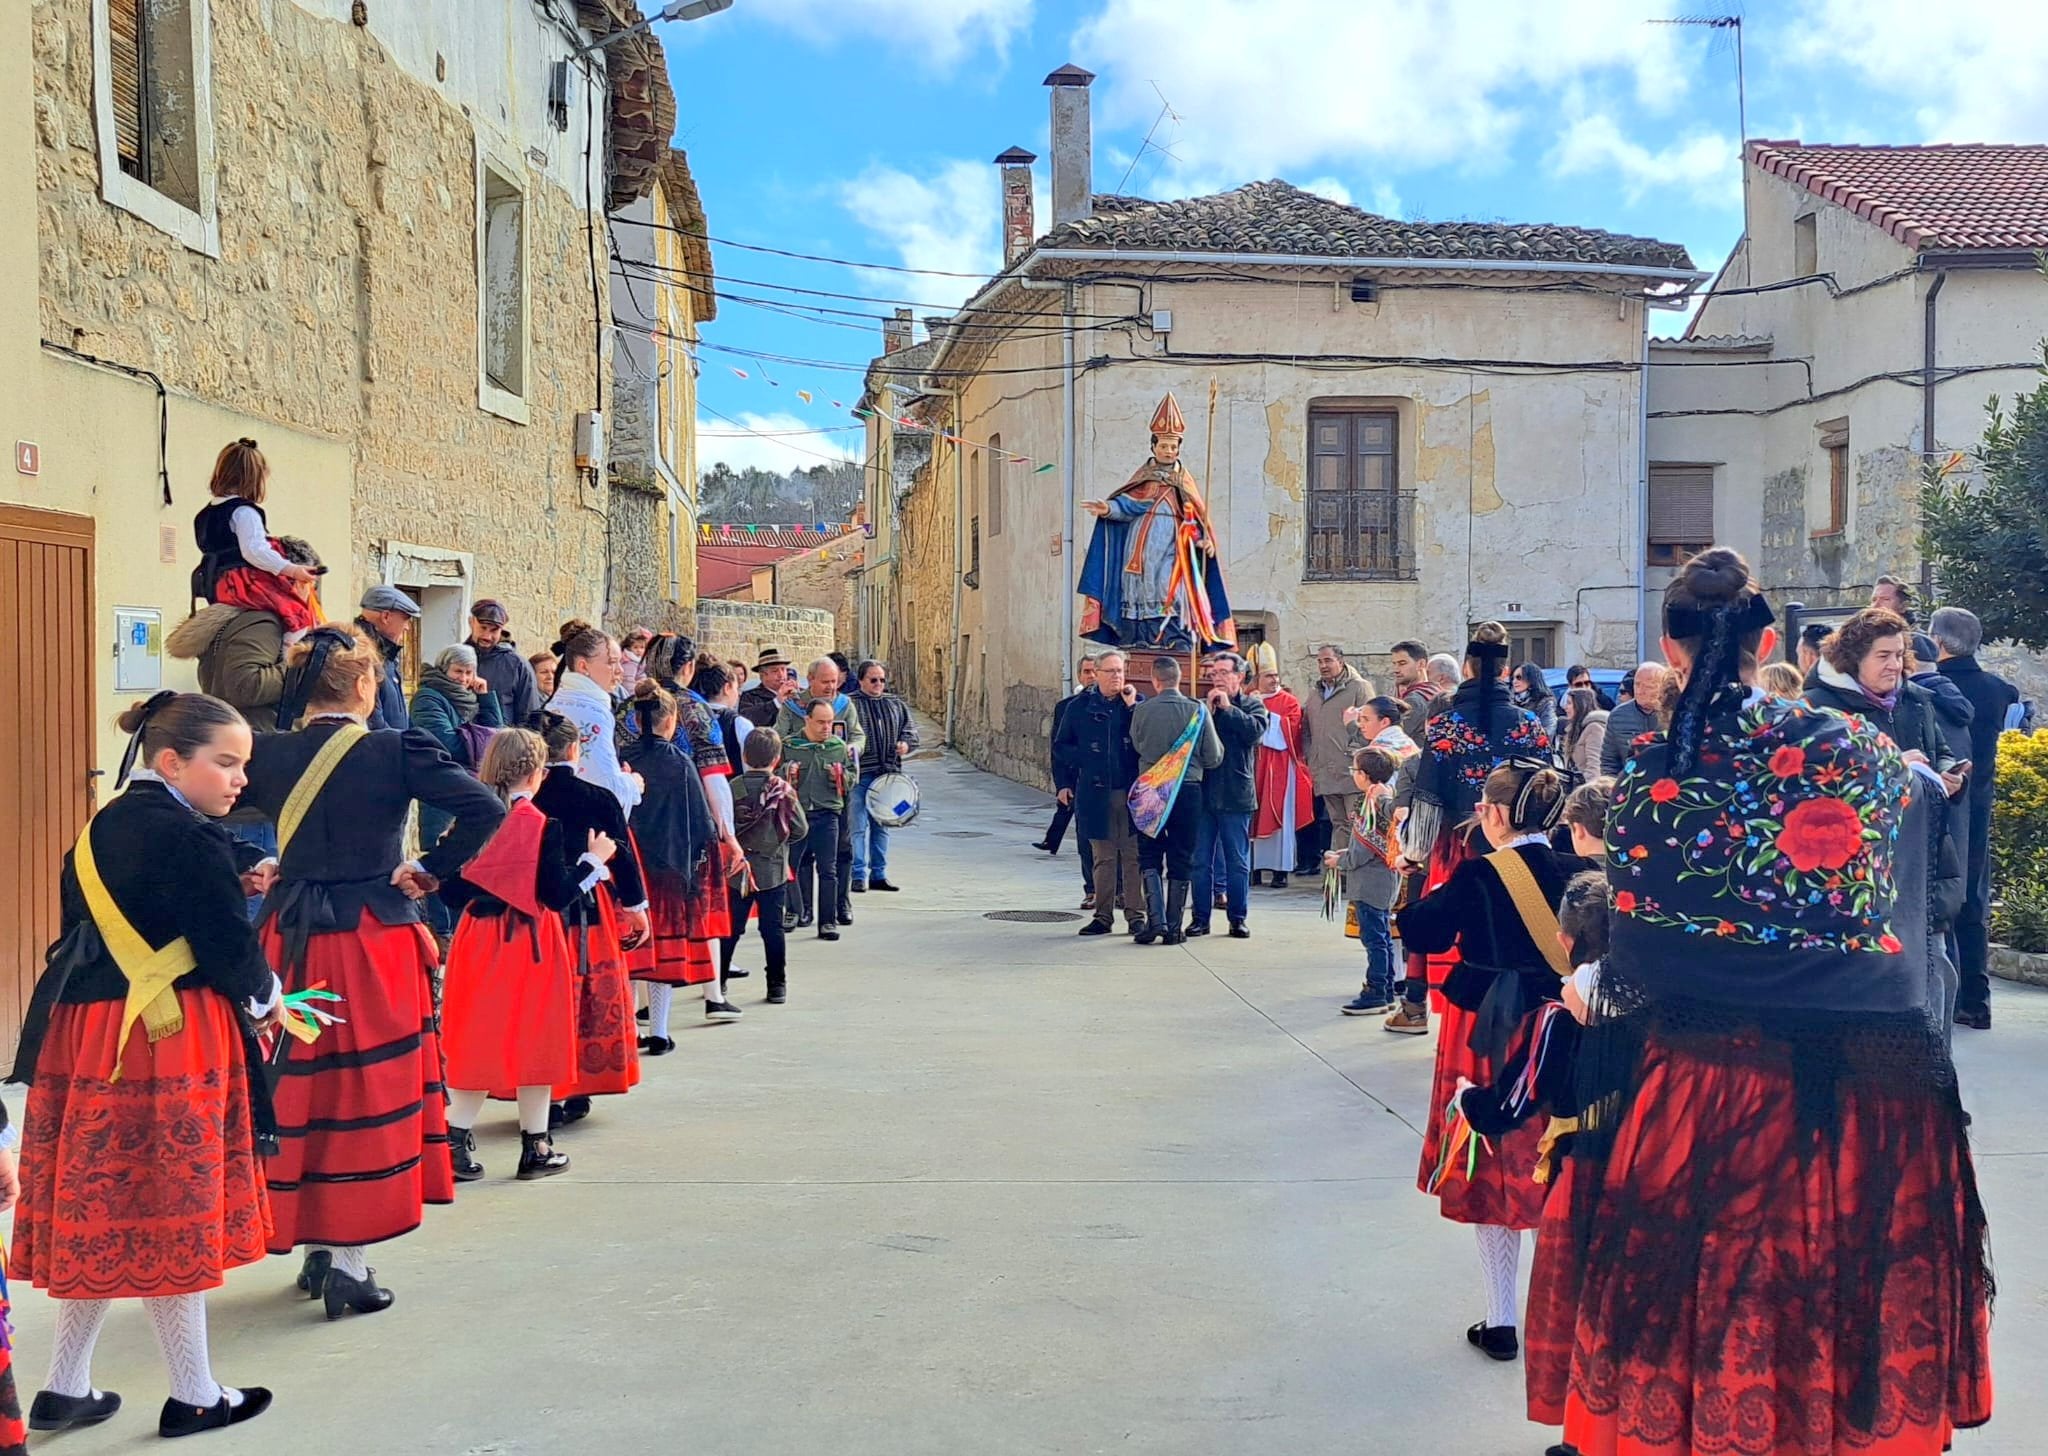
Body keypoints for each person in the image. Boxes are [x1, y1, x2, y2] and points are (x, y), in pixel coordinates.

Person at [1561, 547, 1990, 1456]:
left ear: (1671, 654)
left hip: (1707, 1085)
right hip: (1869, 1085)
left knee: (1714, 1294)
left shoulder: (1648, 785)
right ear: (1770, 641)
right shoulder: (1862, 752)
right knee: (1845, 1286)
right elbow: (1906, 902)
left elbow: (1637, 974)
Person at [9, 693, 276, 1438]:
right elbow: (229, 947)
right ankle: (195, 1394)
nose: (238, 781)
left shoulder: (99, 828)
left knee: (103, 1206)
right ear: (171, 762)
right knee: (170, 1212)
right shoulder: (193, 839)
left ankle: (66, 1386)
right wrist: (268, 999)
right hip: (167, 1035)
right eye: (225, 763)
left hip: (85, 1033)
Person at [243, 626, 503, 1318]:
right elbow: (486, 808)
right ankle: (350, 1266)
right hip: (370, 939)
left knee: (302, 1090)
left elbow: (210, 818)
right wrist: (429, 870)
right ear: (364, 686)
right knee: (367, 1088)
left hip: (288, 937)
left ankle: (316, 1251)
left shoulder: (268, 754)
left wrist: (267, 865)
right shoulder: (392, 749)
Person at [1396, 762, 1580, 1363]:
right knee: (1560, 1162)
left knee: (1490, 1162)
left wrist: (1411, 880)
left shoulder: (1479, 875)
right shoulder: (1581, 869)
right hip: (1568, 1026)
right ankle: (1568, 1319)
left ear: (1496, 814)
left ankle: (1501, 1320)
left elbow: (1420, 932)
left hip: (1489, 1034)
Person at [438, 728, 598, 1183]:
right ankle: (536, 1145)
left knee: (479, 1037)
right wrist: (592, 862)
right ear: (536, 772)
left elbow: (450, 892)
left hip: (477, 938)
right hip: (530, 942)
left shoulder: (471, 820)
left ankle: (454, 1139)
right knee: (537, 1038)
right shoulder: (543, 826)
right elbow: (556, 893)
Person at [1387, 623, 1551, 1036]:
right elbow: (1551, 787)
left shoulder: (1446, 726)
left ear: (1467, 667)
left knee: (1437, 915)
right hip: (1518, 844)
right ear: (1505, 670)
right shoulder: (1529, 724)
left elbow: (1427, 795)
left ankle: (1415, 1006)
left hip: (1457, 844)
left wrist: (1414, 854)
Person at [533, 712, 648, 1117]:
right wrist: (636, 909)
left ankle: (539, 1091)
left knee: (543, 1000)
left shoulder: (524, 798)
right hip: (585, 910)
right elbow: (623, 855)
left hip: (531, 912)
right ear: (573, 750)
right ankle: (576, 1086)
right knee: (585, 998)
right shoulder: (598, 798)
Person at [1078, 392, 1235, 652]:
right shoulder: (1144, 477)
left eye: (1173, 447)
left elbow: (1193, 518)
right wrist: (1108, 508)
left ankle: (1172, 636)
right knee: (1136, 587)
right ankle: (1137, 636)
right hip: (1140, 539)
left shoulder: (1184, 482)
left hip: (1172, 545)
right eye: (1163, 446)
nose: (1168, 451)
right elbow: (1128, 506)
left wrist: (1203, 540)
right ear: (1154, 447)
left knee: (1167, 586)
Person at [620, 681, 732, 1042]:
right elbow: (699, 822)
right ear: (671, 722)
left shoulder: (622, 757)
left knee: (631, 951)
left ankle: (629, 1030)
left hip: (628, 864)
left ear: (637, 720)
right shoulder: (680, 763)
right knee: (663, 955)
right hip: (670, 869)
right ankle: (660, 1031)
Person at [1933, 606, 2020, 1029]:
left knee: (1943, 899)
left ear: (1938, 642)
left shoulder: (1933, 689)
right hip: (1981, 801)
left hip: (1947, 800)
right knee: (1975, 901)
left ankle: (1947, 998)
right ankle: (1977, 999)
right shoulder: (1997, 690)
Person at [168, 535, 325, 732]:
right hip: (260, 741)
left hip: (243, 735)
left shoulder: (248, 616)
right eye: (309, 583)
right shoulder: (262, 621)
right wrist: (308, 666)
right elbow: (246, 685)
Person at [1128, 656, 1225, 945]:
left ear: (1156, 680)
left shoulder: (1142, 711)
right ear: (1179, 678)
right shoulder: (1197, 710)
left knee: (1149, 854)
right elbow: (1214, 756)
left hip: (1151, 790)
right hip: (1187, 789)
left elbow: (1137, 744)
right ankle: (1173, 928)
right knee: (1182, 856)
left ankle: (1154, 921)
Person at [190, 437, 321, 637]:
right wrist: (293, 570)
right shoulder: (244, 512)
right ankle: (286, 661)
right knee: (298, 616)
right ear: (253, 479)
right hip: (243, 584)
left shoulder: (205, 513)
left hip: (215, 584)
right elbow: (254, 550)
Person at [1804, 608, 1957, 775]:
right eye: (1883, 656)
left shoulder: (1916, 698)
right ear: (1854, 658)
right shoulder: (1816, 708)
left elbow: (1941, 752)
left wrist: (1947, 772)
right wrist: (1894, 765)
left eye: (1899, 655)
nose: (1895, 665)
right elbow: (1816, 778)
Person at [1056, 651, 1145, 937]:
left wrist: (1132, 709)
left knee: (1132, 857)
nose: (1117, 676)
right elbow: (1061, 745)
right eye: (1111, 671)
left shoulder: (1135, 704)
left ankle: (1135, 915)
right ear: (1097, 673)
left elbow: (1145, 741)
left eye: (1120, 670)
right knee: (1103, 858)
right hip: (1095, 792)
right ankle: (1103, 916)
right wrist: (1085, 760)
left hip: (1129, 792)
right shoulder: (1080, 706)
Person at [1189, 651, 1267, 938]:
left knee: (1237, 861)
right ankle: (1200, 918)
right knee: (1200, 861)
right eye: (1213, 674)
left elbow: (1254, 733)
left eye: (1223, 673)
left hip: (1236, 794)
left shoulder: (1253, 706)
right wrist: (1208, 713)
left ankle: (1237, 918)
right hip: (1203, 795)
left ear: (1240, 677)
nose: (1217, 678)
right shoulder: (1201, 707)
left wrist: (1228, 710)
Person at [726, 729, 805, 1004]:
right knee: (772, 929)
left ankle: (719, 981)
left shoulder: (733, 787)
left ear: (745, 756)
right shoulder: (783, 790)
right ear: (777, 758)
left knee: (731, 927)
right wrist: (779, 842)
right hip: (772, 869)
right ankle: (776, 985)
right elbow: (800, 829)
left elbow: (720, 826)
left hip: (738, 870)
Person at [1334, 745, 1404, 1016]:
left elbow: (1364, 850)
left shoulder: (1373, 803)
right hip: (1383, 880)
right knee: (1382, 938)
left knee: (1374, 939)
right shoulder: (1383, 797)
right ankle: (1384, 990)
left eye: (1354, 769)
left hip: (1372, 883)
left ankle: (1375, 990)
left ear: (1363, 775)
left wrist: (1340, 860)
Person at [548, 622, 642, 814]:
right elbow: (606, 787)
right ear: (583, 666)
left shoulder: (554, 703)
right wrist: (633, 783)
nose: (620, 671)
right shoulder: (594, 714)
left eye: (619, 662)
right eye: (611, 662)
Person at [783, 699, 852, 941]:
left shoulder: (838, 747)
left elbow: (852, 776)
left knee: (828, 870)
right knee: (792, 865)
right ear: (807, 720)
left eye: (830, 722)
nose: (826, 727)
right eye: (821, 722)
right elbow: (775, 773)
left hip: (827, 814)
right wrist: (786, 772)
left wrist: (841, 776)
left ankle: (827, 922)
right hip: (797, 814)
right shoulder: (790, 745)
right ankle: (795, 911)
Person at [850, 658, 918, 893]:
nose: (878, 684)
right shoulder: (850, 704)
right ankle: (857, 874)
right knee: (857, 825)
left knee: (882, 825)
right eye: (873, 679)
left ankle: (878, 873)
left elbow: (910, 733)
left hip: (888, 776)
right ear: (861, 681)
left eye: (881, 679)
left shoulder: (895, 704)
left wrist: (905, 745)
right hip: (861, 775)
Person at [1250, 655, 1313, 889]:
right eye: (1268, 676)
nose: (1274, 680)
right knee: (1252, 816)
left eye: (1276, 675)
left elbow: (1291, 729)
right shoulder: (1249, 699)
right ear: (1257, 679)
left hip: (1280, 765)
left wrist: (1267, 716)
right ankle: (1254, 869)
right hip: (1255, 764)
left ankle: (1280, 871)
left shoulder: (1288, 701)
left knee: (1281, 816)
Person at [1304, 644, 1373, 849]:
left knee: (1357, 825)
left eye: (1328, 660)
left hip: (1353, 773)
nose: (1323, 665)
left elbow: (1370, 725)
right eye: (1319, 661)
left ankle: (1357, 876)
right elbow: (1306, 730)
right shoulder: (1315, 694)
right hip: (1325, 772)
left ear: (1340, 662)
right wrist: (1311, 756)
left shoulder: (1359, 688)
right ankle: (1340, 876)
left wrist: (1353, 753)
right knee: (1338, 824)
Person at [1037, 657, 1098, 870]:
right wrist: (1061, 784)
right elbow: (1058, 749)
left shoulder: (1121, 706)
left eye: (1094, 671)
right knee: (1082, 834)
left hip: (1107, 784)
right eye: (1086, 672)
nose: (1091, 676)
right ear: (1079, 675)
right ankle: (1091, 888)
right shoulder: (1066, 708)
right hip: (1076, 779)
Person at [467, 599, 542, 727]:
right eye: (483, 628)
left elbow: (529, 717)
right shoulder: (456, 657)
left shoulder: (517, 665)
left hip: (502, 742)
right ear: (471, 622)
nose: (487, 636)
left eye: (494, 630)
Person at [353, 585, 417, 732]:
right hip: (381, 750)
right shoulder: (360, 656)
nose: (407, 627)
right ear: (386, 616)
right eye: (406, 619)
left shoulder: (386, 655)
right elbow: (373, 722)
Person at [1598, 660, 1666, 778]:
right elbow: (1608, 762)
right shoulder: (1618, 715)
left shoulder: (1676, 713)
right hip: (1629, 787)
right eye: (1637, 684)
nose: (1640, 691)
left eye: (1648, 686)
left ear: (1663, 687)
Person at [738, 647, 799, 729]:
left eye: (783, 669)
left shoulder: (797, 691)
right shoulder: (750, 696)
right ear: (763, 674)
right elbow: (746, 720)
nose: (781, 675)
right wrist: (776, 703)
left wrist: (801, 697)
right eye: (775, 671)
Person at [1390, 639, 1440, 735]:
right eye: (1394, 664)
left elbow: (1393, 736)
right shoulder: (1436, 690)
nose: (1396, 669)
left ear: (1421, 664)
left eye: (1402, 663)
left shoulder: (1414, 700)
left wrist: (1352, 723)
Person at [1558, 686, 1607, 784]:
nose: (1565, 707)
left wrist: (1586, 792)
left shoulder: (1594, 728)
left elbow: (1594, 767)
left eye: (1569, 703)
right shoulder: (1574, 729)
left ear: (1580, 705)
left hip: (1586, 789)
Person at [1513, 662, 1558, 739]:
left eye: (1519, 677)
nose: (1514, 681)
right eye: (1513, 678)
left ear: (1531, 679)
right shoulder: (1511, 701)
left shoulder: (1545, 702)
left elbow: (1548, 730)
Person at [618, 627, 652, 697]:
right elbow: (628, 681)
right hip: (630, 693)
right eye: (635, 647)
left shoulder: (639, 659)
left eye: (642, 647)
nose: (639, 650)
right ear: (629, 647)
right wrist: (633, 695)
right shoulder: (629, 662)